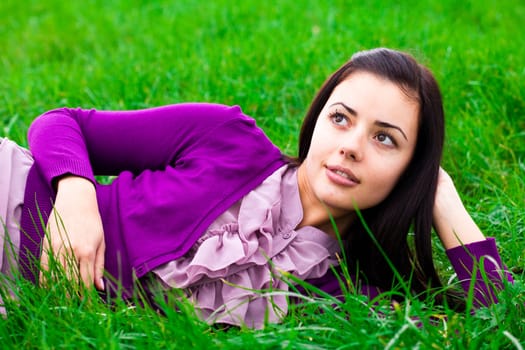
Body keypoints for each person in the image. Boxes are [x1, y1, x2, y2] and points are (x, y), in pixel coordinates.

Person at [0, 48, 513, 328]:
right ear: (316, 122)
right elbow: (61, 123)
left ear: (410, 168)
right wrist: (76, 197)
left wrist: (443, 199)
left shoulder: (347, 297)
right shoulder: (228, 139)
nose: (352, 146)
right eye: (341, 118)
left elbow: (494, 324)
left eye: (385, 138)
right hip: (15, 196)